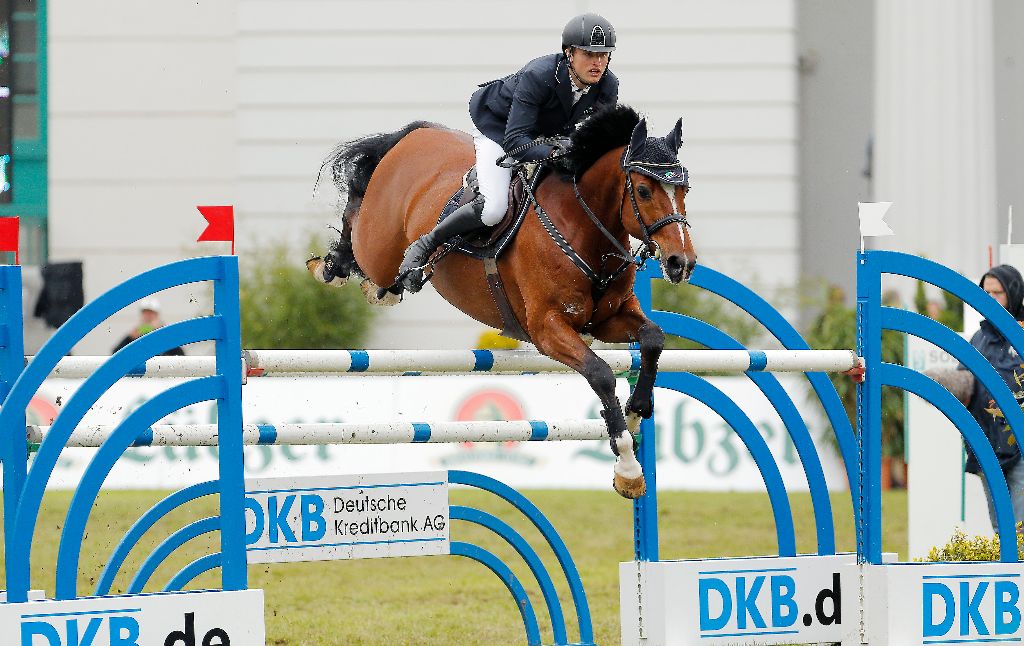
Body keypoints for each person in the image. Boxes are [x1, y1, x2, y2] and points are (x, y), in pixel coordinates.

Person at [396, 13, 619, 292]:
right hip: (501, 130)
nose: (598, 63)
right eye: (589, 54)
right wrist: (555, 149)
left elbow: (595, 138)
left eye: (604, 55)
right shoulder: (538, 76)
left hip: (548, 136)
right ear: (569, 53)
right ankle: (425, 244)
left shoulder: (608, 86)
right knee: (493, 209)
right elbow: (516, 140)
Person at [931, 264, 1024, 533]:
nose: (990, 299)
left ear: (1015, 294)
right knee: (1001, 528)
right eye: (986, 292)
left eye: (998, 293)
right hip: (986, 446)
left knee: (1019, 528)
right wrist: (947, 383)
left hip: (1019, 446)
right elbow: (967, 383)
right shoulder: (978, 339)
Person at [112, 298, 185, 356]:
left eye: (150, 313)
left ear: (157, 315)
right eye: (145, 313)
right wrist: (129, 338)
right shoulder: (136, 334)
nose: (147, 317)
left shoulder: (165, 334)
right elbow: (115, 353)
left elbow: (181, 355)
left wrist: (163, 334)